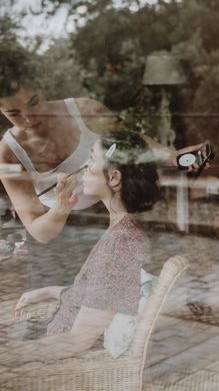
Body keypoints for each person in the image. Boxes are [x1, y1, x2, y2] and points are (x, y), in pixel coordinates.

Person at [0, 43, 206, 246]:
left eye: (33, 102)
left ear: (42, 88)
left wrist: (173, 156)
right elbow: (40, 232)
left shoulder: (85, 109)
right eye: (14, 113)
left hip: (120, 218)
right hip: (66, 239)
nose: (29, 118)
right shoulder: (8, 155)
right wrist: (61, 208)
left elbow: (130, 142)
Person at [0, 131, 159, 363]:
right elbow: (99, 294)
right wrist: (47, 291)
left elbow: (76, 342)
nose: (84, 165)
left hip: (62, 365)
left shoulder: (120, 244)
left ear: (114, 178)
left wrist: (7, 358)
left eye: (92, 159)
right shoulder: (122, 230)